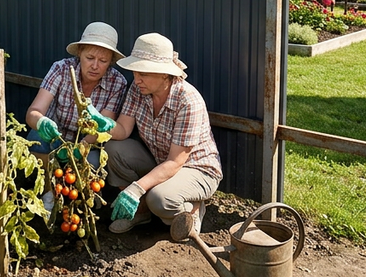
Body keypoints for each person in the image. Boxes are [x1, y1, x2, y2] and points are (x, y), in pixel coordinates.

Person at [103, 33, 222, 240]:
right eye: (135, 72)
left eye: (144, 73)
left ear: (165, 75)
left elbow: (176, 162)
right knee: (113, 148)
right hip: (160, 162)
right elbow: (122, 130)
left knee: (160, 199)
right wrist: (102, 123)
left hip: (197, 169)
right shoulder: (138, 89)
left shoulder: (188, 101)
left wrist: (136, 188)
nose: (136, 79)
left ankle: (192, 208)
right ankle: (141, 211)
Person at [25, 22, 128, 209]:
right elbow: (33, 112)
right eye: (89, 57)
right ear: (79, 53)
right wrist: (41, 122)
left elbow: (100, 128)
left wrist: (80, 148)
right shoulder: (61, 69)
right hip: (56, 137)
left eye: (103, 61)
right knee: (36, 138)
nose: (95, 66)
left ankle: (80, 199)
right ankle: (49, 190)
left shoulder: (117, 82)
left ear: (111, 61)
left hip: (89, 144)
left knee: (92, 169)